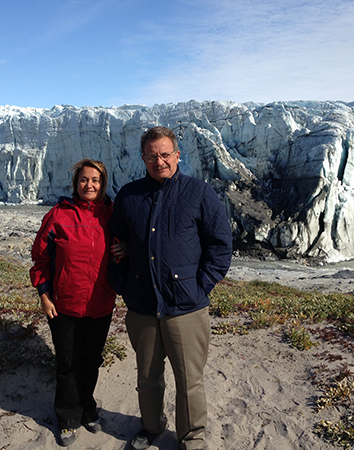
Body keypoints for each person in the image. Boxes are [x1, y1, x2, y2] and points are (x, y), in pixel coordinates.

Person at [108, 126, 233, 450]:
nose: (159, 161)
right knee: (148, 378)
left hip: (186, 307)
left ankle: (192, 438)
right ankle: (151, 428)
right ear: (143, 158)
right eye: (152, 156)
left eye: (165, 154)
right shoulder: (129, 196)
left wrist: (201, 286)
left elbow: (220, 245)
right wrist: (123, 284)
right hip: (143, 306)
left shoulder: (199, 193)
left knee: (189, 380)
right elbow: (114, 243)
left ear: (177, 155)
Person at [30, 159, 122, 447]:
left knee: (91, 361)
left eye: (95, 180)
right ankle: (67, 417)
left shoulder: (113, 216)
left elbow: (129, 248)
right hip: (63, 305)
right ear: (76, 183)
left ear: (103, 183)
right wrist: (44, 296)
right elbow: (41, 259)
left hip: (100, 303)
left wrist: (126, 249)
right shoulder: (58, 216)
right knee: (68, 363)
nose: (89, 185)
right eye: (84, 180)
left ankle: (87, 408)